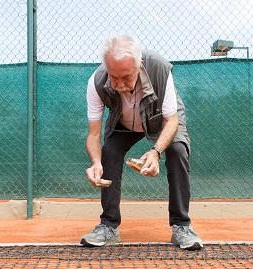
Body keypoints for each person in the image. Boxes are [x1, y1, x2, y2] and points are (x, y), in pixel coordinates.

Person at [81, 35, 202, 250]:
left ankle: (182, 226)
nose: (118, 85)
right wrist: (96, 163)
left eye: (126, 77)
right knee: (109, 152)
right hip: (123, 123)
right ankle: (108, 226)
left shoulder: (160, 69)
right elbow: (93, 134)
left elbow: (172, 120)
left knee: (178, 150)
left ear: (140, 65)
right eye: (113, 77)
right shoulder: (97, 81)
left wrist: (155, 151)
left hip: (160, 119)